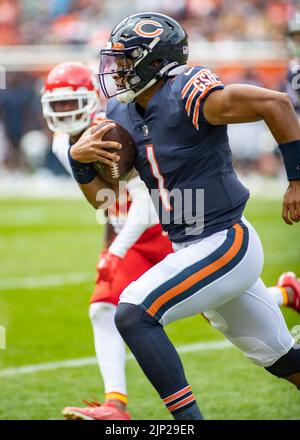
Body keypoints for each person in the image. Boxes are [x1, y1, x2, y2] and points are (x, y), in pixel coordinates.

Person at [67, 11, 300, 421]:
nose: (117, 69)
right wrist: (80, 162)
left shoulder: (188, 91)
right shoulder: (121, 113)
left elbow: (275, 103)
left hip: (224, 240)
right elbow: (106, 197)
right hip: (190, 244)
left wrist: (297, 181)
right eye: (116, 60)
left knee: (134, 311)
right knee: (285, 362)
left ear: (155, 61)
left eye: (126, 59)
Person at [41, 61, 173, 420]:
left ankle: (287, 294)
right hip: (129, 230)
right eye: (59, 105)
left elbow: (145, 197)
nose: (66, 112)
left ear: (90, 98)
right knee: (103, 307)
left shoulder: (112, 129)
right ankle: (115, 404)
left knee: (221, 315)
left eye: (72, 103)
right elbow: (107, 202)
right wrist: (111, 245)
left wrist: (114, 251)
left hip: (168, 225)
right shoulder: (61, 144)